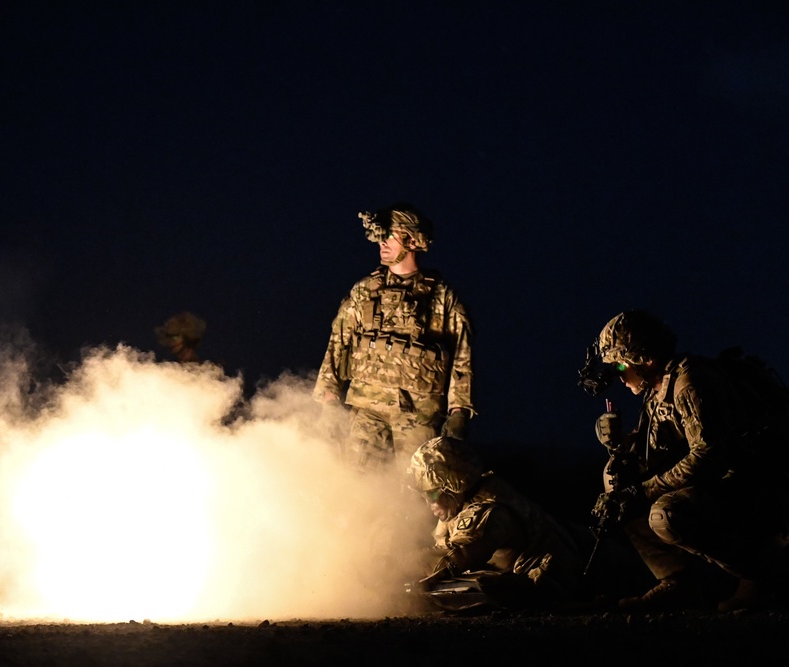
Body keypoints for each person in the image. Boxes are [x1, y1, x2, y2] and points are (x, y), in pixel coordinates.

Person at [583, 309, 789, 612]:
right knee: (619, 490)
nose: (619, 375)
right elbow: (657, 450)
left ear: (647, 358)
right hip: (722, 486)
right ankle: (678, 584)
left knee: (665, 514)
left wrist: (642, 492)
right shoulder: (658, 389)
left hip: (748, 488)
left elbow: (709, 455)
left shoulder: (689, 384)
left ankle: (762, 577)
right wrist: (619, 446)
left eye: (621, 364)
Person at [312, 202, 474, 473]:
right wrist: (329, 400)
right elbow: (338, 345)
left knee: (416, 493)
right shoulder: (364, 291)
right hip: (366, 411)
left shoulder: (442, 298)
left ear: (411, 240)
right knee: (357, 485)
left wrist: (459, 411)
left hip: (418, 416)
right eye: (380, 237)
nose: (382, 244)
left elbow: (462, 359)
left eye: (390, 236)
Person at [404, 435, 592, 611]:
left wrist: (394, 567)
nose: (428, 503)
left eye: (432, 493)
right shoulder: (463, 502)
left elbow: (457, 556)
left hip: (553, 582)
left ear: (454, 485)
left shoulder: (489, 511)